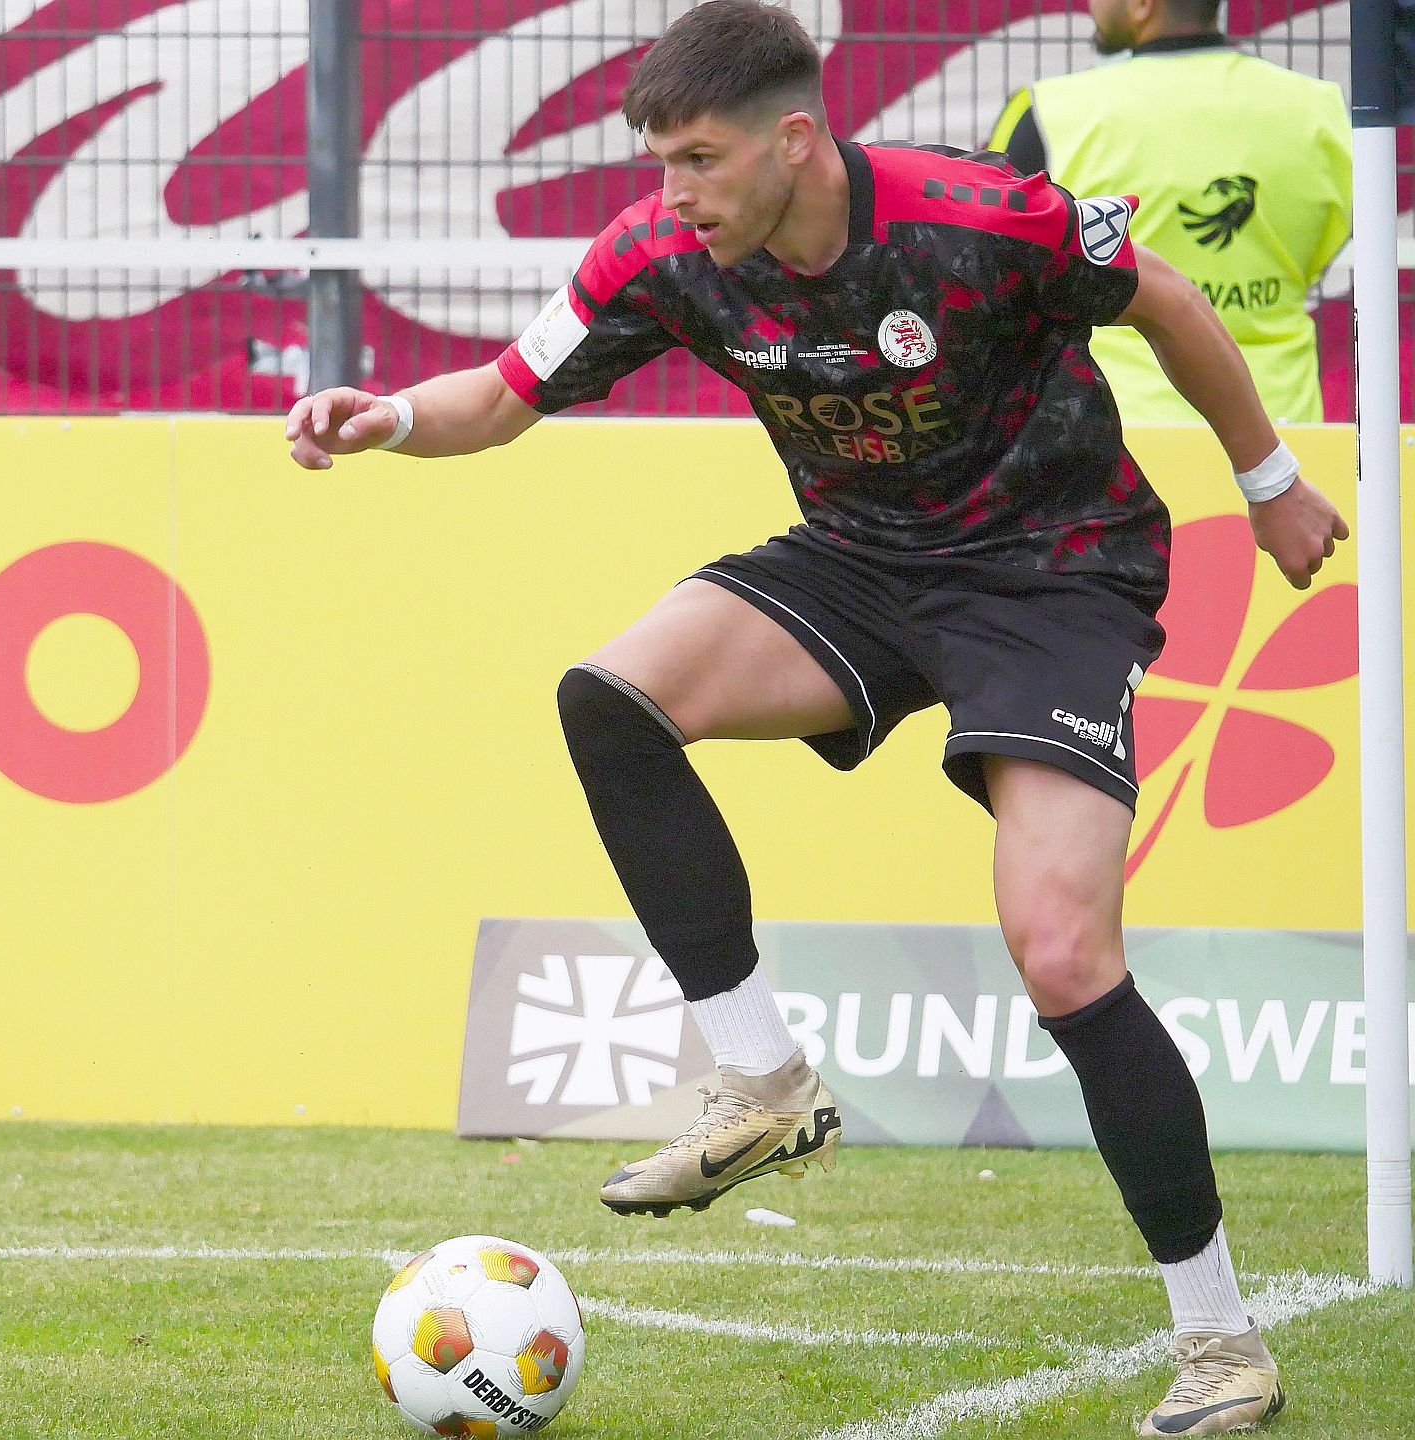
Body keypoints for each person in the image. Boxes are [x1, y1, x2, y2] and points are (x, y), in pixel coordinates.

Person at [285, 2, 1346, 1432]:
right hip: (860, 564)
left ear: (795, 140)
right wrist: (389, 419)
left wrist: (1271, 484)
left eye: (700, 159)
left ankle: (1222, 1343)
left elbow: (1165, 296)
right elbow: (506, 393)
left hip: (1053, 575)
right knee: (613, 697)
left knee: (1060, 951)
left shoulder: (978, 217)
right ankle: (762, 1079)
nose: (675, 193)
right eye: (660, 162)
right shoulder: (661, 255)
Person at [987, 0, 1350, 428]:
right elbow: (1333, 237)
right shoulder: (1322, 110)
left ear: (1143, 5)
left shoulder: (1052, 110)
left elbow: (995, 260)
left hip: (1111, 422)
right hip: (1279, 424)